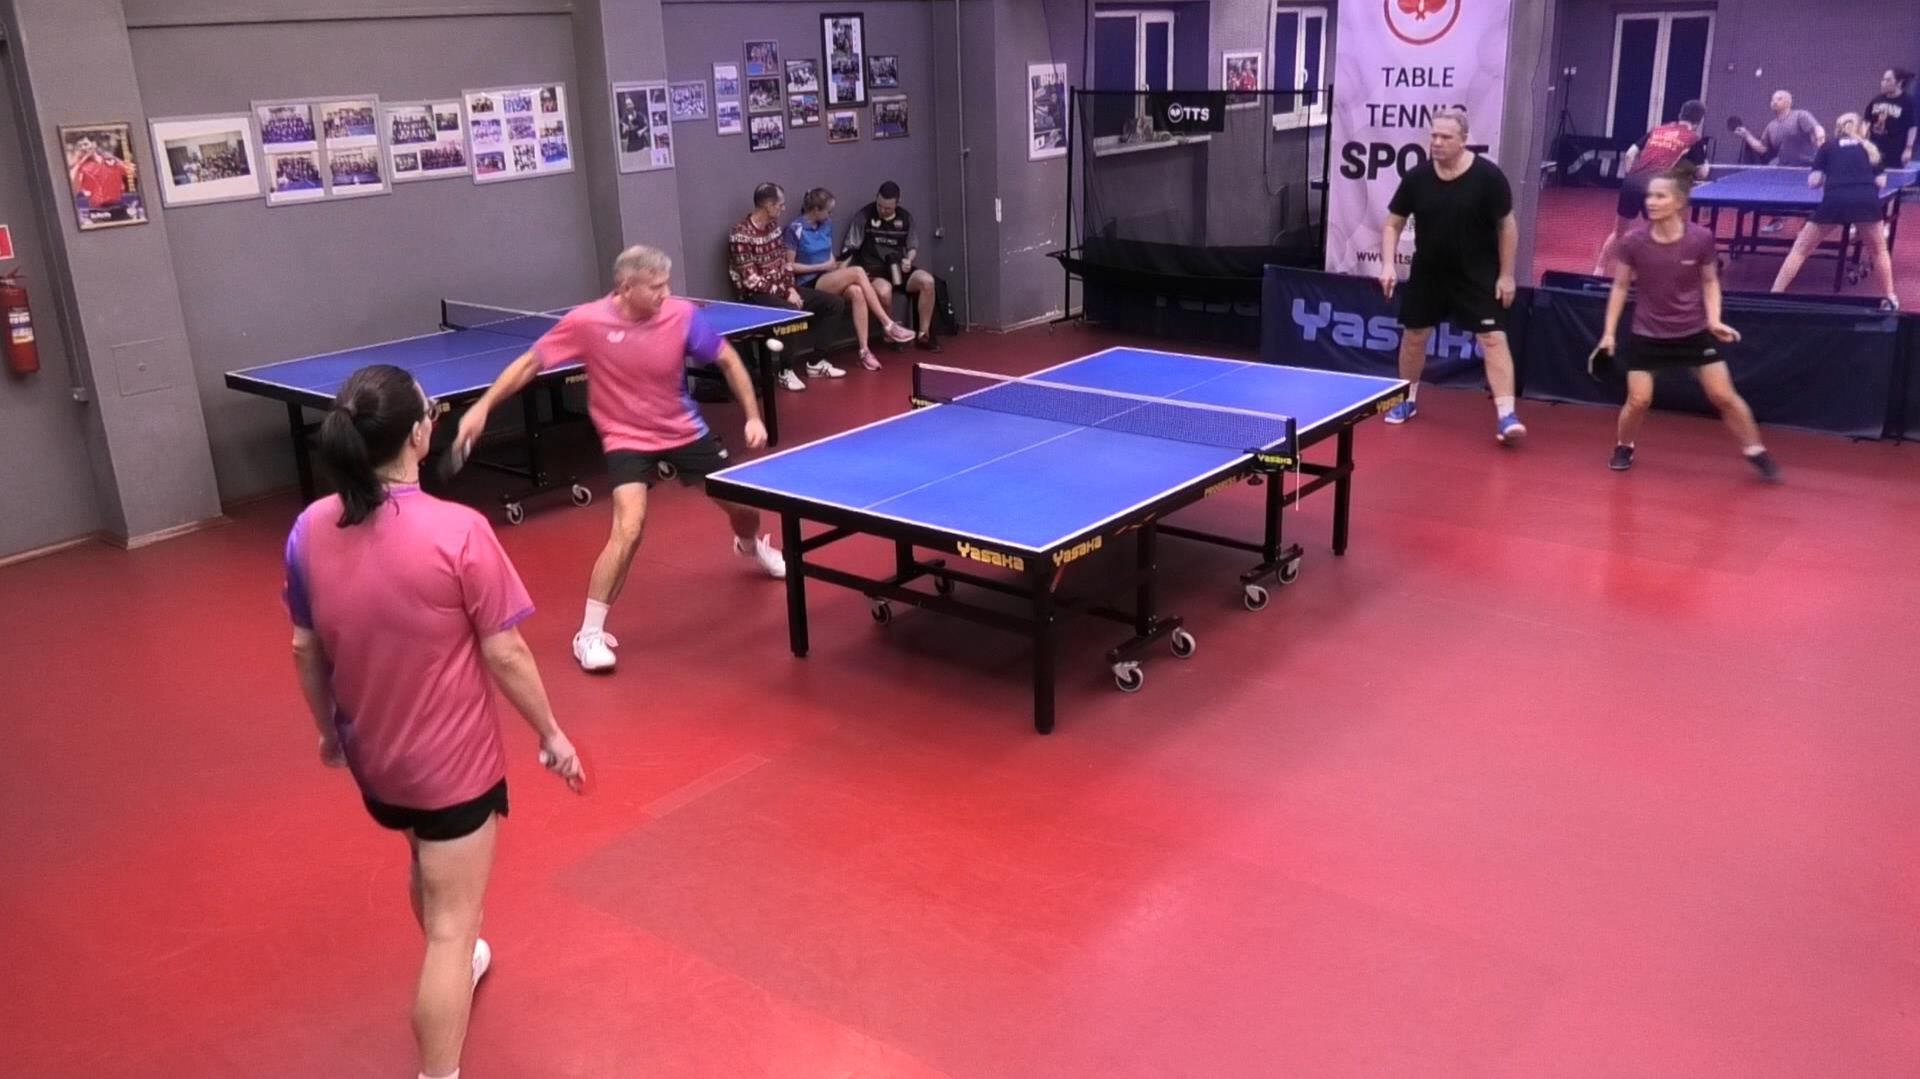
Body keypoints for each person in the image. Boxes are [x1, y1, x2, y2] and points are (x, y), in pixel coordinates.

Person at [284, 363, 587, 1079]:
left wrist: (328, 731)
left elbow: (304, 647)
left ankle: (462, 960)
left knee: (424, 858)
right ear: (419, 435)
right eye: (431, 413)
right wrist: (551, 733)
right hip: (452, 771)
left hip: (375, 762)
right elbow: (506, 652)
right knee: (452, 930)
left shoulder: (307, 528)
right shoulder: (460, 531)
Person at [454, 245, 787, 674]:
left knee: (743, 508)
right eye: (656, 286)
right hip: (626, 437)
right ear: (626, 287)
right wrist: (483, 407)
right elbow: (529, 364)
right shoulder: (587, 322)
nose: (666, 293)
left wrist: (753, 416)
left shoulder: (682, 315)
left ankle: (749, 545)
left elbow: (727, 360)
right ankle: (589, 634)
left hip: (684, 429)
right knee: (629, 529)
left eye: (667, 284)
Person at [1597, 169, 1781, 482]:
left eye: (1660, 196)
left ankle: (1755, 450)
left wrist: (1714, 319)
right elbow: (1620, 287)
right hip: (1648, 334)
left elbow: (1709, 281)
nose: (1651, 202)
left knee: (1723, 396)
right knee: (1639, 400)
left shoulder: (1700, 239)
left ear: (1679, 202)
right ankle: (1624, 445)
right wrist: (1609, 333)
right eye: (1650, 196)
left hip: (1693, 332)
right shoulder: (1633, 242)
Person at [1377, 109, 1526, 444]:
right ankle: (1406, 400)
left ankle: (1507, 415)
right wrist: (1387, 265)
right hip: (1429, 272)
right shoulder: (1417, 178)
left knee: (1493, 339)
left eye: (1445, 137)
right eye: (1434, 136)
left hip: (1477, 274)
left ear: (1464, 140)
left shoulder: (1488, 177)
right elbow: (1392, 224)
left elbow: (1507, 225)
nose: (1437, 142)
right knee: (1414, 336)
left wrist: (1506, 275)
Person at [1768, 113, 1899, 309]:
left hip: (1834, 201)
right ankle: (1890, 298)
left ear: (1838, 128)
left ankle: (1774, 294)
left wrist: (1826, 175)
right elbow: (1881, 182)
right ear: (1861, 128)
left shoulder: (1827, 147)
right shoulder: (1869, 149)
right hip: (1866, 201)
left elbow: (1814, 182)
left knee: (1800, 250)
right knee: (1879, 251)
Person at [728, 182, 847, 391]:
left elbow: (784, 265)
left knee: (835, 304)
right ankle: (785, 370)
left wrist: (791, 288)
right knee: (791, 312)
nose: (783, 209)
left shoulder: (774, 228)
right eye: (780, 205)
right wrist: (785, 293)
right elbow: (751, 280)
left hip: (782, 289)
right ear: (768, 205)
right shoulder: (740, 233)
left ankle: (817, 362)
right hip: (756, 296)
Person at [784, 186, 916, 370]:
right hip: (808, 282)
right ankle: (888, 324)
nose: (830, 215)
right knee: (858, 272)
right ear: (816, 210)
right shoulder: (794, 229)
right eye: (828, 211)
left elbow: (827, 254)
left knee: (857, 291)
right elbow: (789, 266)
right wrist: (822, 267)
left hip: (827, 276)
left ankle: (864, 352)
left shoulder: (826, 224)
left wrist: (836, 265)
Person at [1593, 99, 1710, 275]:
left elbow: (1630, 153)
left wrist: (1631, 175)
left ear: (1680, 114)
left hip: (1631, 183)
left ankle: (1598, 270)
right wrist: (1705, 161)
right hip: (1655, 188)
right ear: (1699, 121)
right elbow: (1701, 174)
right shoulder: (1693, 138)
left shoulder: (1658, 130)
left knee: (1618, 233)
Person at [842, 180, 941, 351]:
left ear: (897, 203)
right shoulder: (864, 215)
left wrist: (908, 259)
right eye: (880, 206)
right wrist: (842, 267)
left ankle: (924, 334)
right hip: (874, 270)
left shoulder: (905, 217)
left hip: (899, 268)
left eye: (887, 208)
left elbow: (912, 247)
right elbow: (850, 247)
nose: (883, 210)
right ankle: (891, 334)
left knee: (927, 281)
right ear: (876, 198)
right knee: (884, 292)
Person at [1733, 90, 1825, 166]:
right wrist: (1746, 135)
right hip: (1783, 164)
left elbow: (1817, 129)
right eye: (1772, 100)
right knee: (1770, 167)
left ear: (1789, 102)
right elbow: (1762, 148)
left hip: (1806, 163)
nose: (1774, 102)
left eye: (1779, 99)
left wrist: (1820, 139)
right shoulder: (1771, 126)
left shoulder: (1800, 115)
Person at [1865, 68, 1917, 168]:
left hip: (1895, 151)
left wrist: (1908, 148)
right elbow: (1867, 122)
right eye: (1883, 80)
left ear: (1899, 83)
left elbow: (1912, 126)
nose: (1884, 83)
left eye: (1888, 80)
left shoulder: (1907, 102)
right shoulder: (1876, 100)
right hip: (1876, 149)